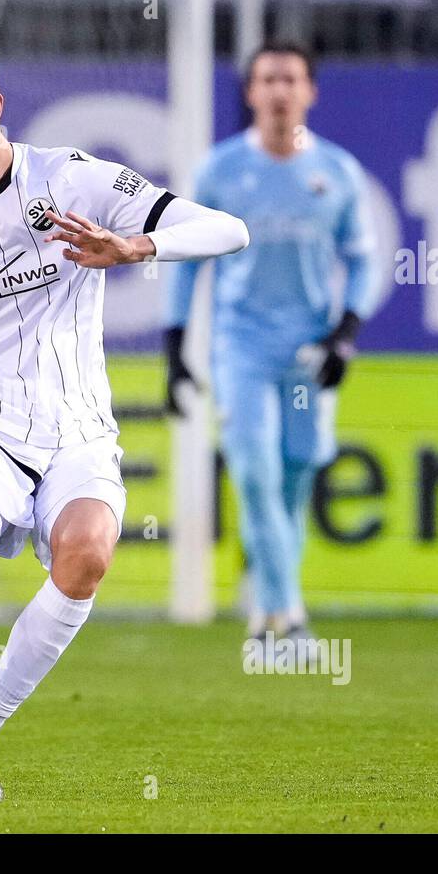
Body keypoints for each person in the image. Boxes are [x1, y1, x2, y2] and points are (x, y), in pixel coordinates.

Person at [0, 44, 249, 805]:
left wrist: (139, 244)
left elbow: (229, 230)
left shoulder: (72, 179)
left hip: (78, 425)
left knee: (87, 559)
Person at [164, 41, 378, 654]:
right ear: (251, 92)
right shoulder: (221, 171)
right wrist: (176, 346)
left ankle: (265, 604)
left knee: (294, 477)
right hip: (242, 346)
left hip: (308, 349)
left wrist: (346, 334)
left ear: (309, 91)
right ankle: (288, 615)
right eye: (267, 80)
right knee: (254, 472)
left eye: (290, 79)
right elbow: (185, 264)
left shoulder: (337, 173)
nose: (279, 91)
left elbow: (363, 262)